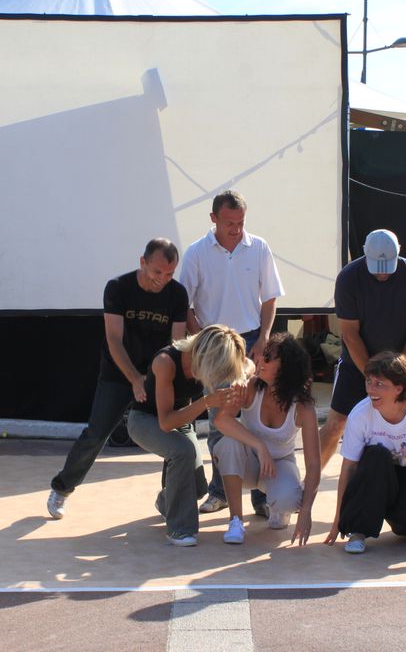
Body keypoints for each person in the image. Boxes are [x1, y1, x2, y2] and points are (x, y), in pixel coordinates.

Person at [47, 239, 188, 519]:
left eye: (170, 273)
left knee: (173, 434)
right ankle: (62, 488)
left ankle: (169, 498)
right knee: (96, 434)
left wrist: (157, 376)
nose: (163, 279)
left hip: (158, 372)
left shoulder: (177, 294)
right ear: (143, 262)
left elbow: (177, 342)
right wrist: (135, 379)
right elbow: (113, 339)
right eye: (157, 272)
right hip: (118, 373)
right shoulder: (118, 287)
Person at [179, 189, 285, 515]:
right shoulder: (196, 252)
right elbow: (184, 303)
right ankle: (219, 491)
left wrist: (264, 338)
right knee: (218, 422)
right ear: (213, 219)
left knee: (254, 419)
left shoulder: (260, 248)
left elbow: (270, 298)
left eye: (240, 222)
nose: (236, 229)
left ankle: (261, 497)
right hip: (215, 347)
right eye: (229, 223)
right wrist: (203, 342)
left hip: (252, 341)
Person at [126, 325, 249, 547]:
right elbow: (165, 423)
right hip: (145, 420)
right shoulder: (165, 362)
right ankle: (180, 530)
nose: (219, 376)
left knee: (197, 488)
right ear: (205, 356)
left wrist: (241, 378)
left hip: (181, 420)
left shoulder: (208, 362)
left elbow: (247, 365)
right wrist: (207, 402)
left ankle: (166, 501)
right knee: (183, 451)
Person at [318, 229, 406, 468]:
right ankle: (309, 484)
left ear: (399, 253)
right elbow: (350, 333)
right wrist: (372, 375)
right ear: (365, 255)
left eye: (387, 266)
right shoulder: (348, 277)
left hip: (400, 364)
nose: (381, 274)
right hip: (357, 363)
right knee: (336, 423)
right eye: (376, 267)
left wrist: (399, 368)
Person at [323, 352, 406, 557]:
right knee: (376, 455)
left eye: (380, 384)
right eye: (369, 382)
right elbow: (348, 468)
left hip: (405, 480)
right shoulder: (360, 414)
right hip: (373, 481)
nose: (371, 389)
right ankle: (358, 530)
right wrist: (338, 520)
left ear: (399, 387)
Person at [212, 333, 321, 545]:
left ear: (286, 367)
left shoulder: (303, 407)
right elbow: (221, 421)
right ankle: (236, 521)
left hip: (279, 465)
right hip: (250, 463)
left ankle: (280, 508)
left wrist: (306, 511)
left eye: (269, 357)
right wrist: (259, 446)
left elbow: (314, 465)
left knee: (288, 500)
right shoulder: (250, 386)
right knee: (228, 445)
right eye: (263, 355)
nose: (261, 360)